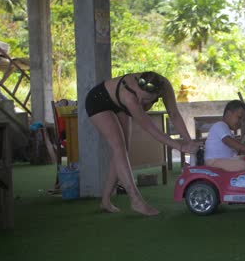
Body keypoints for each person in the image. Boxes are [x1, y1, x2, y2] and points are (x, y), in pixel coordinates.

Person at [85, 71, 200, 216]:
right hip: (98, 101)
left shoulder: (165, 86)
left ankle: (105, 201)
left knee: (122, 150)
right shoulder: (130, 97)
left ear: (157, 95)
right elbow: (151, 129)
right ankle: (136, 200)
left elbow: (174, 114)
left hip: (118, 104)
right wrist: (181, 147)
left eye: (146, 100)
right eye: (139, 96)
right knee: (119, 148)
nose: (140, 101)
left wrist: (189, 142)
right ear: (138, 84)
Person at [204, 100, 245, 171]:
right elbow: (228, 141)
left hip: (225, 160)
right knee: (243, 164)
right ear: (228, 114)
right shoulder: (220, 125)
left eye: (243, 120)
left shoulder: (228, 131)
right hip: (214, 162)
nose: (241, 123)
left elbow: (234, 150)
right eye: (239, 118)